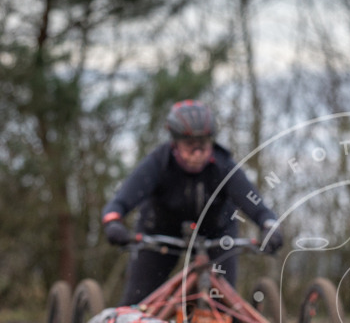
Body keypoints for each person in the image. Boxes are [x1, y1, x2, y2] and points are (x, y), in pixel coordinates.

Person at [102, 100, 283, 306]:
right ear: (175, 144)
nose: (198, 154)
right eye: (190, 146)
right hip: (160, 235)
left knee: (227, 307)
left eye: (204, 146)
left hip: (216, 234)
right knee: (139, 301)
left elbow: (256, 206)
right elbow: (120, 202)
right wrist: (114, 223)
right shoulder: (158, 163)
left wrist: (270, 226)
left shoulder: (224, 166)